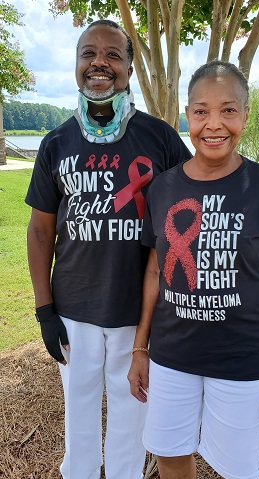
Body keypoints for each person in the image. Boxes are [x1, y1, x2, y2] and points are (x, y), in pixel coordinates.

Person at [25, 19, 192, 479]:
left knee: (131, 415)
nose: (100, 63)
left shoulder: (160, 138)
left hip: (137, 311)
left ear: (130, 69)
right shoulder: (56, 142)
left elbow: (197, 208)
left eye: (113, 54)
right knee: (77, 414)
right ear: (77, 64)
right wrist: (43, 311)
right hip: (72, 309)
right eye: (88, 53)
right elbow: (40, 232)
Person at [128, 60, 259, 479]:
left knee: (237, 470)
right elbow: (155, 272)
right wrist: (140, 349)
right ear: (187, 116)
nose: (214, 123)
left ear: (245, 115)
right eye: (201, 111)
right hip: (173, 356)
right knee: (170, 455)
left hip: (244, 360)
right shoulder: (163, 188)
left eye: (228, 110)